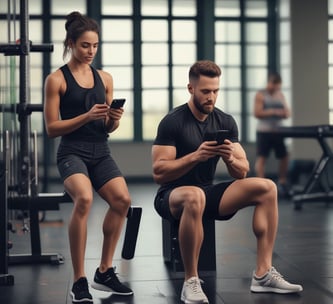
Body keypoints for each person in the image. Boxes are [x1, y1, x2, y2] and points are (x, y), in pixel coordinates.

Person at [152, 60, 302, 304]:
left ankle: (263, 274)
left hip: (207, 193)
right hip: (172, 196)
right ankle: (191, 280)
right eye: (205, 92)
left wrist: (230, 158)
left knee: (267, 188)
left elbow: (242, 172)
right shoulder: (173, 121)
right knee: (194, 196)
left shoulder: (225, 122)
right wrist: (195, 157)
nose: (211, 97)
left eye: (215, 91)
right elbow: (159, 173)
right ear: (191, 89)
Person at [43, 11, 133, 303]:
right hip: (72, 151)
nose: (91, 51)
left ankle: (104, 271)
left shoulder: (104, 78)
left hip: (100, 150)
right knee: (84, 198)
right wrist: (85, 116)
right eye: (84, 45)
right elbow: (52, 128)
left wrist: (114, 118)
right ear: (71, 43)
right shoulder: (56, 80)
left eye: (95, 45)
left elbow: (108, 126)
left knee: (122, 201)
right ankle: (79, 280)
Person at [254, 72, 291, 197]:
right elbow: (257, 113)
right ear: (270, 83)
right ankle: (261, 185)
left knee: (284, 157)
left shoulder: (280, 95)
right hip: (264, 131)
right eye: (274, 85)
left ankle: (282, 181)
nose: (275, 88)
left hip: (278, 131)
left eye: (278, 86)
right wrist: (274, 111)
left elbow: (287, 113)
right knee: (262, 158)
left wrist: (283, 113)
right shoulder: (261, 94)